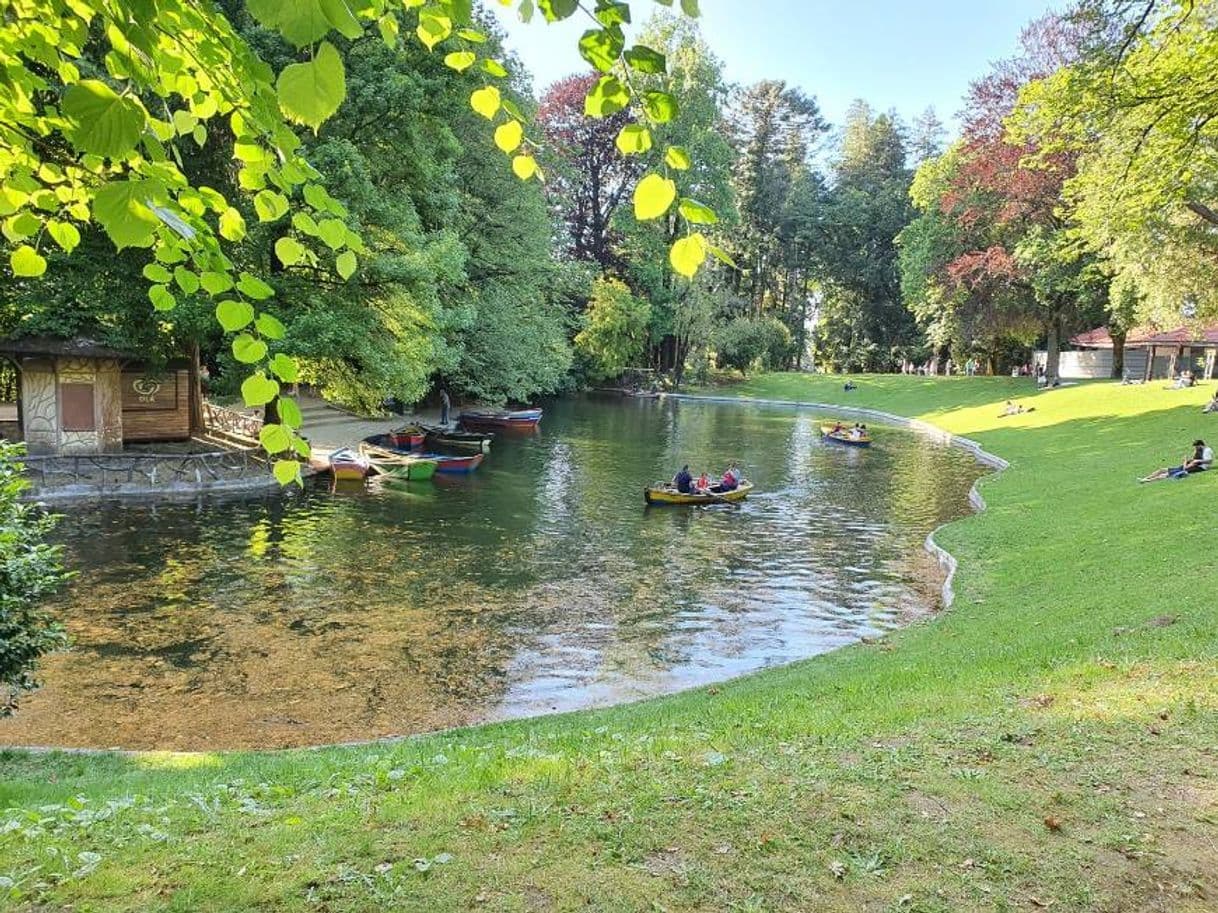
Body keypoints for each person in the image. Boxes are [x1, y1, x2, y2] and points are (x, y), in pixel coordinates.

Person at [1140, 439, 1213, 482]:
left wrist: (1187, 461)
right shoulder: (1198, 452)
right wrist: (1192, 458)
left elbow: (1209, 461)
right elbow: (1193, 459)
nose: (1195, 449)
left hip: (1198, 467)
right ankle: (1146, 478)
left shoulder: (1207, 451)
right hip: (1191, 465)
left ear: (1200, 445)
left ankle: (1148, 481)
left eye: (1196, 447)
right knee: (1162, 470)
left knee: (1166, 474)